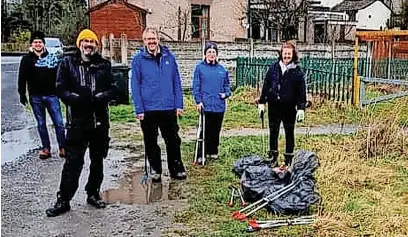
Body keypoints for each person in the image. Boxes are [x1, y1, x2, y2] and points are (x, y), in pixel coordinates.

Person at [46, 29, 117, 217]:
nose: (88, 44)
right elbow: (60, 88)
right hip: (77, 122)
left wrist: (100, 97)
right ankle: (64, 200)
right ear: (79, 44)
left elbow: (113, 89)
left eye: (92, 42)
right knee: (73, 162)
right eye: (85, 41)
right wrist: (76, 99)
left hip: (99, 122)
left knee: (97, 160)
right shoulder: (67, 63)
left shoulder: (104, 65)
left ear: (96, 45)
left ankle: (93, 193)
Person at [131, 27, 186, 183]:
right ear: (144, 42)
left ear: (158, 39)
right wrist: (139, 108)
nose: (151, 42)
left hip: (168, 107)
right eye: (148, 39)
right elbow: (135, 85)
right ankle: (155, 169)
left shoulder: (169, 57)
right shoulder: (138, 60)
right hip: (148, 109)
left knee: (173, 140)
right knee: (151, 141)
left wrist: (179, 104)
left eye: (153, 38)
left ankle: (176, 169)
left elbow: (176, 81)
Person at [257, 41, 306, 168]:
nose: (287, 56)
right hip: (274, 106)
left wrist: (301, 108)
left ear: (293, 55)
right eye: (285, 54)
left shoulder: (297, 72)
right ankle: (273, 157)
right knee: (273, 131)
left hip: (289, 107)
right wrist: (262, 102)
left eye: (289, 54)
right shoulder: (273, 69)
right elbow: (266, 86)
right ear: (281, 54)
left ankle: (288, 158)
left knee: (289, 132)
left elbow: (301, 91)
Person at [18, 30, 66, 159]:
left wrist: (61, 91)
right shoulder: (26, 60)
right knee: (41, 124)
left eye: (40, 42)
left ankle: (63, 147)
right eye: (35, 42)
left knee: (59, 123)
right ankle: (46, 148)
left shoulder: (52, 58)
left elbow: (59, 76)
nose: (38, 44)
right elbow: (21, 78)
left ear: (43, 44)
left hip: (52, 95)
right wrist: (22, 94)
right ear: (31, 44)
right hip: (35, 97)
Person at [192, 42, 231, 164]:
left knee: (216, 130)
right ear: (205, 54)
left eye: (214, 52)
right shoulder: (200, 68)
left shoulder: (222, 70)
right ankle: (201, 154)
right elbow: (196, 86)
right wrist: (198, 101)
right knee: (204, 130)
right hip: (206, 105)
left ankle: (213, 151)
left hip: (219, 106)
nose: (211, 54)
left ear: (217, 55)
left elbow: (227, 86)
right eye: (209, 52)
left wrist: (226, 94)